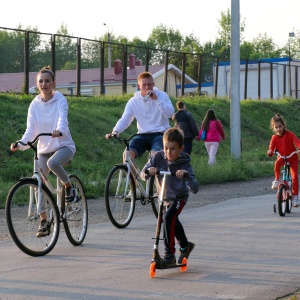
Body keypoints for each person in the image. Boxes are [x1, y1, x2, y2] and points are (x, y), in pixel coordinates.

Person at [10, 66, 77, 237]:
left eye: (47, 81)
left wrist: (59, 130)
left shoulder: (60, 99)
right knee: (37, 182)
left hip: (63, 146)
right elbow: (31, 130)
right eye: (41, 81)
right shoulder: (34, 104)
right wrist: (21, 143)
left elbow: (63, 118)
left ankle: (69, 187)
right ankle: (44, 221)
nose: (44, 84)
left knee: (52, 163)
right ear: (37, 84)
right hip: (44, 149)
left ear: (54, 83)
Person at [141, 127, 200, 265]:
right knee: (171, 220)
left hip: (179, 197)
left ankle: (169, 255)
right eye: (166, 148)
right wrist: (149, 171)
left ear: (181, 148)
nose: (168, 152)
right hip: (164, 197)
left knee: (168, 217)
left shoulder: (184, 163)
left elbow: (195, 188)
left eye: (173, 149)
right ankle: (185, 246)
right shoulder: (157, 157)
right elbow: (143, 173)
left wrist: (185, 175)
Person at [105, 71, 174, 160]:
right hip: (142, 134)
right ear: (139, 86)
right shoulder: (134, 101)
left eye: (149, 85)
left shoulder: (162, 96)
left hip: (160, 134)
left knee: (155, 157)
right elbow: (125, 119)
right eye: (144, 85)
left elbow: (170, 114)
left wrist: (157, 100)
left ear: (153, 84)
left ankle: (149, 172)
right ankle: (129, 173)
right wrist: (116, 131)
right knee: (127, 154)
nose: (147, 87)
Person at [267, 113, 300, 207]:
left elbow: (297, 141)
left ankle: (295, 196)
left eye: (280, 126)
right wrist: (270, 151)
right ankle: (277, 180)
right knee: (277, 163)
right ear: (273, 128)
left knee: (294, 178)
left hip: (293, 158)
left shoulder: (290, 134)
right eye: (276, 127)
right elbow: (271, 148)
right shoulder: (274, 138)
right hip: (282, 157)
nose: (278, 129)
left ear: (284, 125)